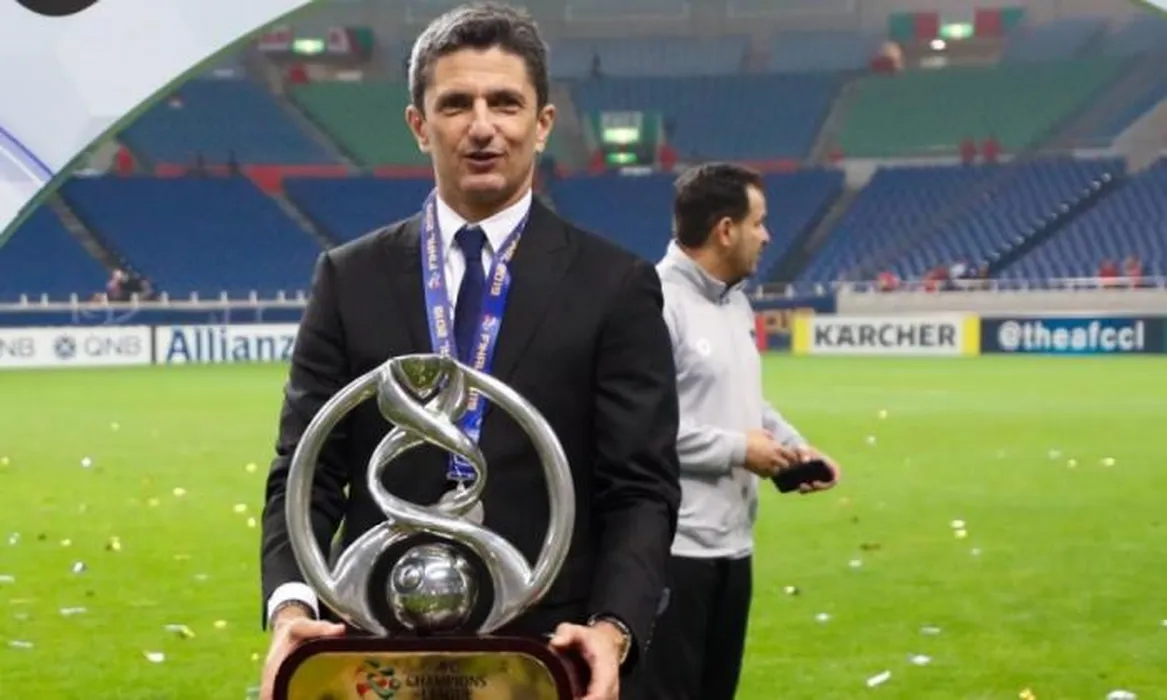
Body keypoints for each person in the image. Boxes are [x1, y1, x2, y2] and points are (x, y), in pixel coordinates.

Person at [256, 4, 682, 700]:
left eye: (505, 103)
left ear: (542, 123)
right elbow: (303, 473)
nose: (482, 126)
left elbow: (640, 488)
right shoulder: (349, 277)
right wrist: (292, 606)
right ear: (419, 125)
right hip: (374, 649)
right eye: (455, 104)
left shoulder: (615, 285)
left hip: (544, 655)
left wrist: (612, 629)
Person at [637, 163, 841, 700]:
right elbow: (642, 425)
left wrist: (792, 445)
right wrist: (737, 450)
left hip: (733, 545)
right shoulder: (653, 303)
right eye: (759, 222)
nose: (767, 236)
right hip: (675, 551)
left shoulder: (736, 302)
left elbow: (746, 400)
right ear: (725, 230)